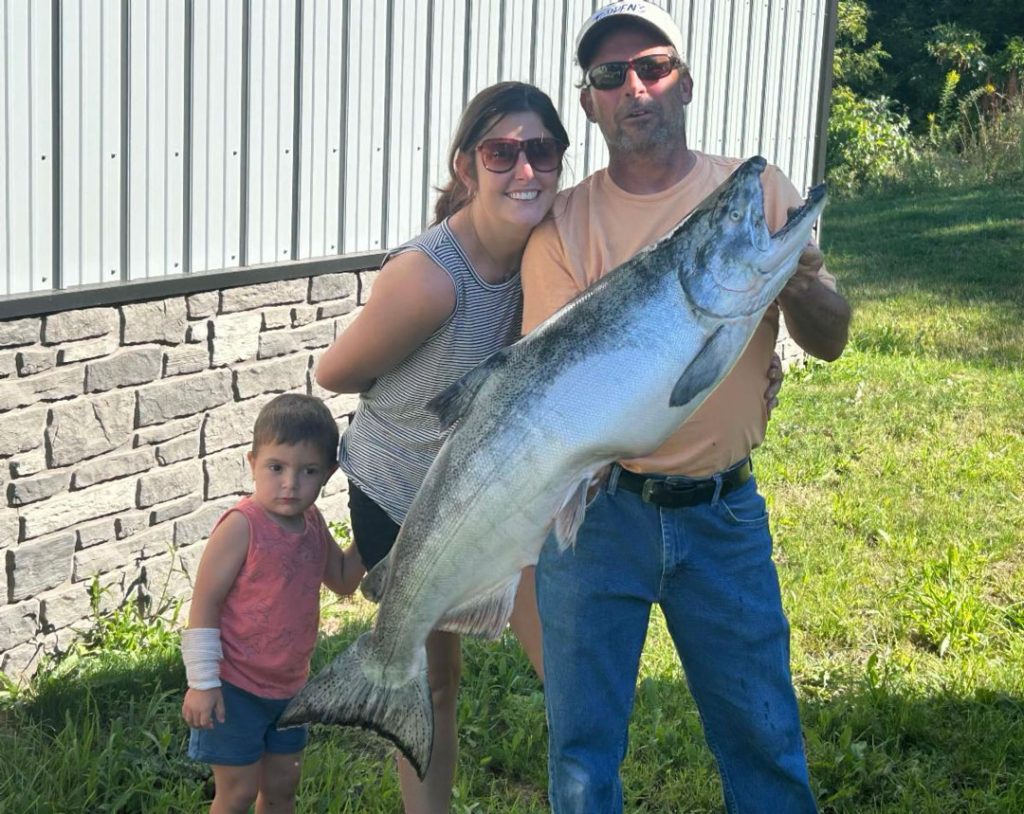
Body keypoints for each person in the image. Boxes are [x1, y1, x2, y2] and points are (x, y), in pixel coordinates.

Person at [520, 3, 852, 813]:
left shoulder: (754, 192)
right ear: (591, 99)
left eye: (654, 66)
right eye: (610, 75)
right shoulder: (562, 226)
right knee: (583, 758)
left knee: (765, 741)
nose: (634, 87)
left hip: (722, 514)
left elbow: (834, 336)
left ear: (686, 81)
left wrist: (801, 280)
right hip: (599, 518)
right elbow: (560, 398)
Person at [314, 81, 570, 814]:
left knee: (570, 670)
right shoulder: (431, 279)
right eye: (501, 152)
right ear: (467, 167)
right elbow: (335, 373)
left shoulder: (553, 247)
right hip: (401, 494)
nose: (525, 170)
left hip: (495, 490)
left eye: (541, 151)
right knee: (429, 683)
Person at [180, 393, 361, 814]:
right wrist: (203, 682)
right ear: (252, 462)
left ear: (328, 474)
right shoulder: (243, 527)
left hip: (290, 688)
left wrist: (374, 530)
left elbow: (343, 580)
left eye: (308, 471)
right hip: (233, 687)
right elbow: (204, 605)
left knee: (282, 789)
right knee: (238, 792)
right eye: (276, 467)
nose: (290, 484)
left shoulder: (312, 522)